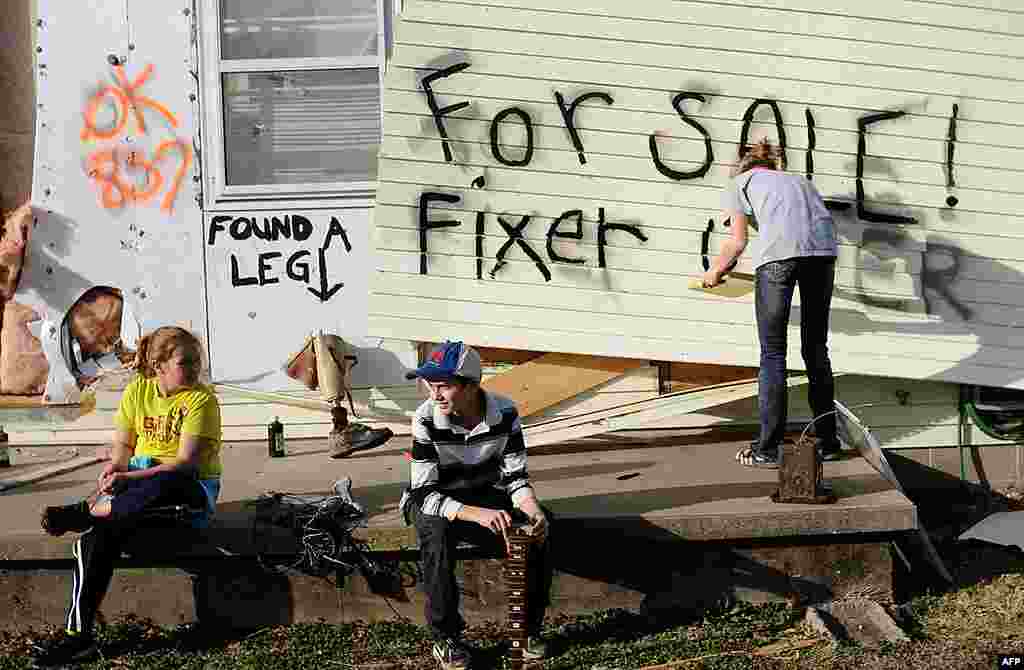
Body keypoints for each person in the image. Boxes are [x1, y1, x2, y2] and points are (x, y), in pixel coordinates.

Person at [31, 326, 223, 667]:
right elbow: (124, 448)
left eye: (197, 361)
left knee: (165, 479)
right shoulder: (137, 392)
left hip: (185, 496)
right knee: (92, 541)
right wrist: (113, 471)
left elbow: (184, 463)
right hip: (134, 500)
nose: (194, 368)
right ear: (159, 364)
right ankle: (78, 637)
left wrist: (127, 476)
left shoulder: (201, 399)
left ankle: (86, 512)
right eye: (185, 361)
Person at [400, 341, 552, 670]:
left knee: (539, 529)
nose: (434, 394)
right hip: (434, 499)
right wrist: (476, 514)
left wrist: (532, 509)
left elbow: (515, 479)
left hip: (482, 494)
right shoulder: (425, 418)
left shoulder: (506, 413)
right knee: (436, 534)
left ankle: (528, 630)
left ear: (471, 386)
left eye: (444, 386)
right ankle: (447, 638)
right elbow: (424, 493)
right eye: (430, 385)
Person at [703, 137, 842, 468]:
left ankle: (768, 449)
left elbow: (737, 242)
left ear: (745, 168)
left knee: (773, 354)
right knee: (816, 350)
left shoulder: (739, 184)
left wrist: (714, 271)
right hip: (823, 257)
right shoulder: (801, 182)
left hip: (779, 260)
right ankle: (828, 442)